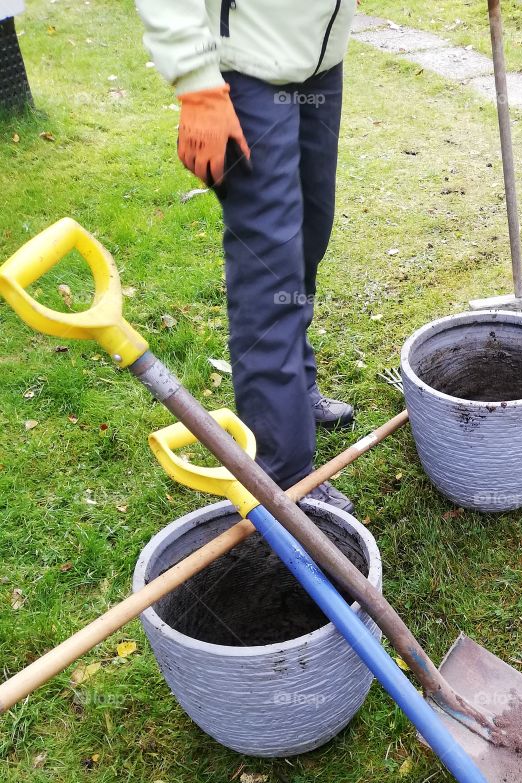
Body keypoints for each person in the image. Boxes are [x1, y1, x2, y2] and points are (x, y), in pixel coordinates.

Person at [135, 0, 357, 510]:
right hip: (243, 73)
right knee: (269, 266)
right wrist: (196, 83)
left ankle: (296, 392)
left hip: (319, 61)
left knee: (307, 241)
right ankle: (282, 474)